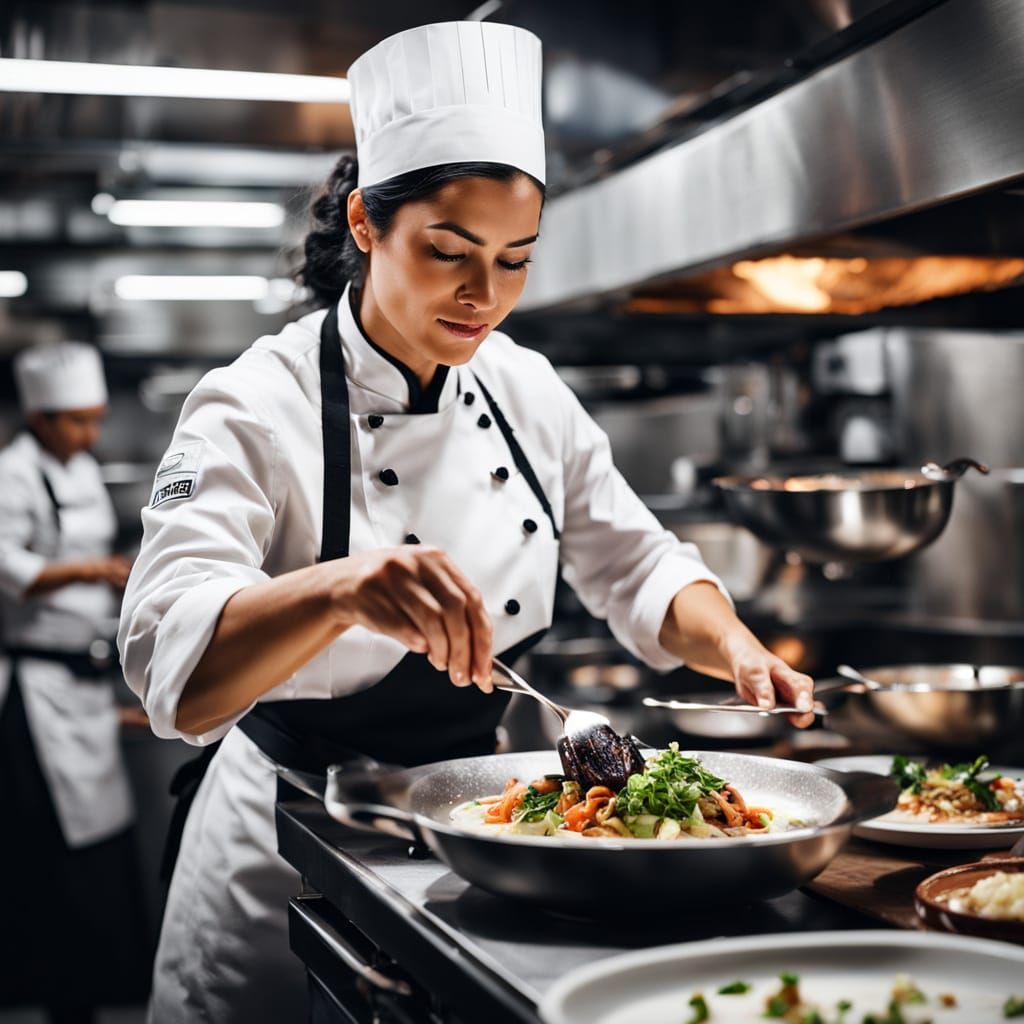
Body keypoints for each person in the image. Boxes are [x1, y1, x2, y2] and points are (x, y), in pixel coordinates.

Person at [118, 20, 815, 1024]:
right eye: (447, 252)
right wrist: (340, 587)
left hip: (482, 839)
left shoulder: (523, 385)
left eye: (515, 259)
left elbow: (635, 561)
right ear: (364, 222)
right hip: (277, 850)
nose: (483, 296)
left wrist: (736, 646)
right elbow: (170, 678)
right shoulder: (249, 404)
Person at [0, 341, 150, 1024]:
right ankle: (52, 993)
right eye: (74, 421)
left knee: (96, 844)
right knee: (47, 852)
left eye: (94, 420)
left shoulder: (82, 468)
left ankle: (86, 994)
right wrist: (94, 572)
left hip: (84, 679)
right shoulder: (13, 474)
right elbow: (13, 570)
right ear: (38, 417)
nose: (88, 434)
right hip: (30, 692)